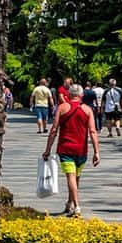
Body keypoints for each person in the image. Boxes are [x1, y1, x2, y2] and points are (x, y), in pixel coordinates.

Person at [44, 82, 100, 217]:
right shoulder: (87, 110)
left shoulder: (62, 108)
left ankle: (77, 206)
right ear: (81, 95)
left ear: (69, 95)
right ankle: (69, 203)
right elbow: (93, 131)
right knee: (75, 178)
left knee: (71, 177)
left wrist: (48, 149)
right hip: (82, 150)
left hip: (66, 148)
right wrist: (96, 152)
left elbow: (54, 130)